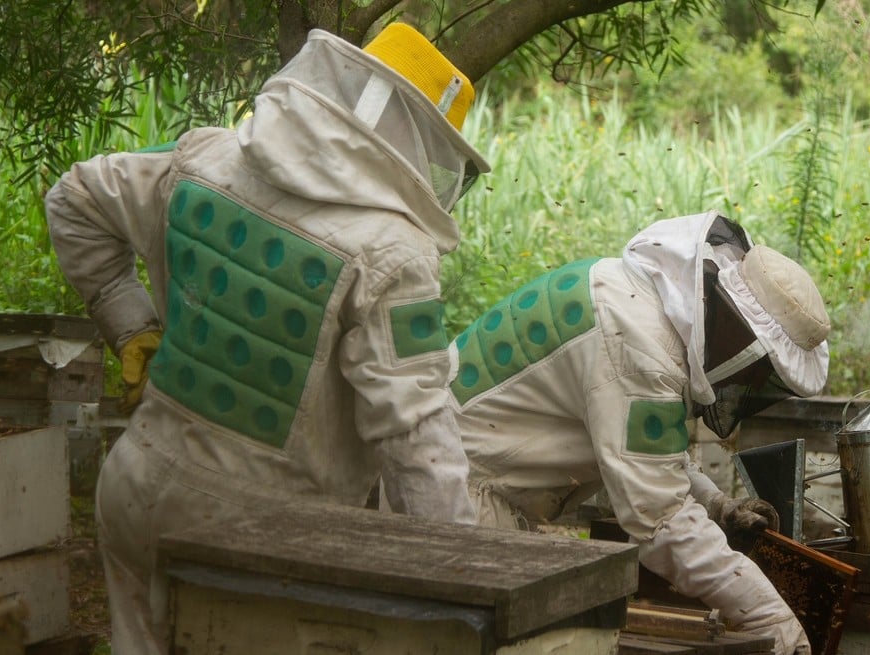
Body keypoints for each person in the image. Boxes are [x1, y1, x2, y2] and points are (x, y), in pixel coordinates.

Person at [44, 23, 488, 654]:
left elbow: (74, 200)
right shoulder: (394, 253)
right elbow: (419, 442)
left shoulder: (207, 156)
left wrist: (133, 327)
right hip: (268, 541)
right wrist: (467, 578)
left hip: (139, 487)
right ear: (419, 143)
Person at [448, 212, 828, 655]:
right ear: (737, 331)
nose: (751, 384)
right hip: (456, 498)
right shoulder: (640, 347)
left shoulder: (639, 300)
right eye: (758, 369)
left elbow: (647, 455)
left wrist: (714, 503)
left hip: (468, 477)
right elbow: (659, 521)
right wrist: (769, 615)